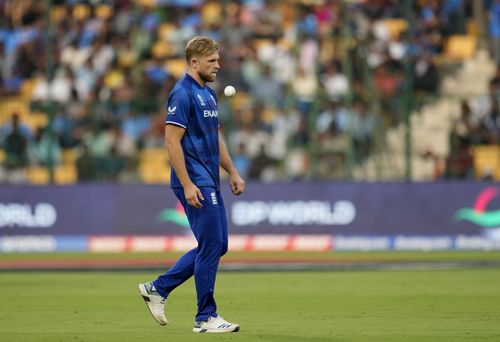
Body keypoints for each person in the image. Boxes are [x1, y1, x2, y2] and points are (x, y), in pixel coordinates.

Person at [138, 36, 245, 334]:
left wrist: (233, 171)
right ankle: (205, 317)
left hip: (210, 179)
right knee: (211, 245)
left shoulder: (209, 95)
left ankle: (158, 288)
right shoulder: (182, 94)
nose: (218, 65)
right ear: (194, 62)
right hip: (195, 181)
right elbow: (171, 140)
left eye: (218, 60)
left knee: (218, 245)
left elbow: (216, 137)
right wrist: (186, 184)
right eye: (212, 61)